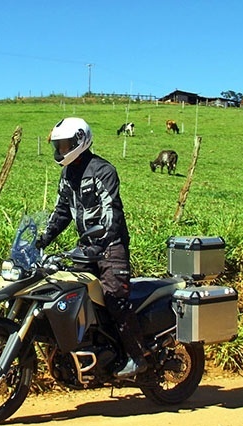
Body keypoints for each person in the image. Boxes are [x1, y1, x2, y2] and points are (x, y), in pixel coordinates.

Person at [35, 117, 147, 378]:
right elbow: (61, 212)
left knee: (115, 299)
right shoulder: (67, 174)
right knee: (71, 298)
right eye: (59, 146)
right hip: (86, 248)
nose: (61, 150)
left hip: (111, 247)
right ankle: (90, 354)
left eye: (64, 145)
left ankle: (136, 355)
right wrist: (41, 239)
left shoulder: (102, 170)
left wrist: (103, 239)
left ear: (79, 142)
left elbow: (112, 211)